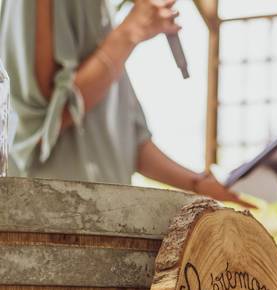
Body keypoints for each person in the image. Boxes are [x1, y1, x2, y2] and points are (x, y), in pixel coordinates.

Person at [0, 0, 250, 205]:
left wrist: (199, 184)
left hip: (111, 220)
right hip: (50, 222)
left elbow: (131, 143)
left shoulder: (104, 11)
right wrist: (128, 34)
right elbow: (37, 124)